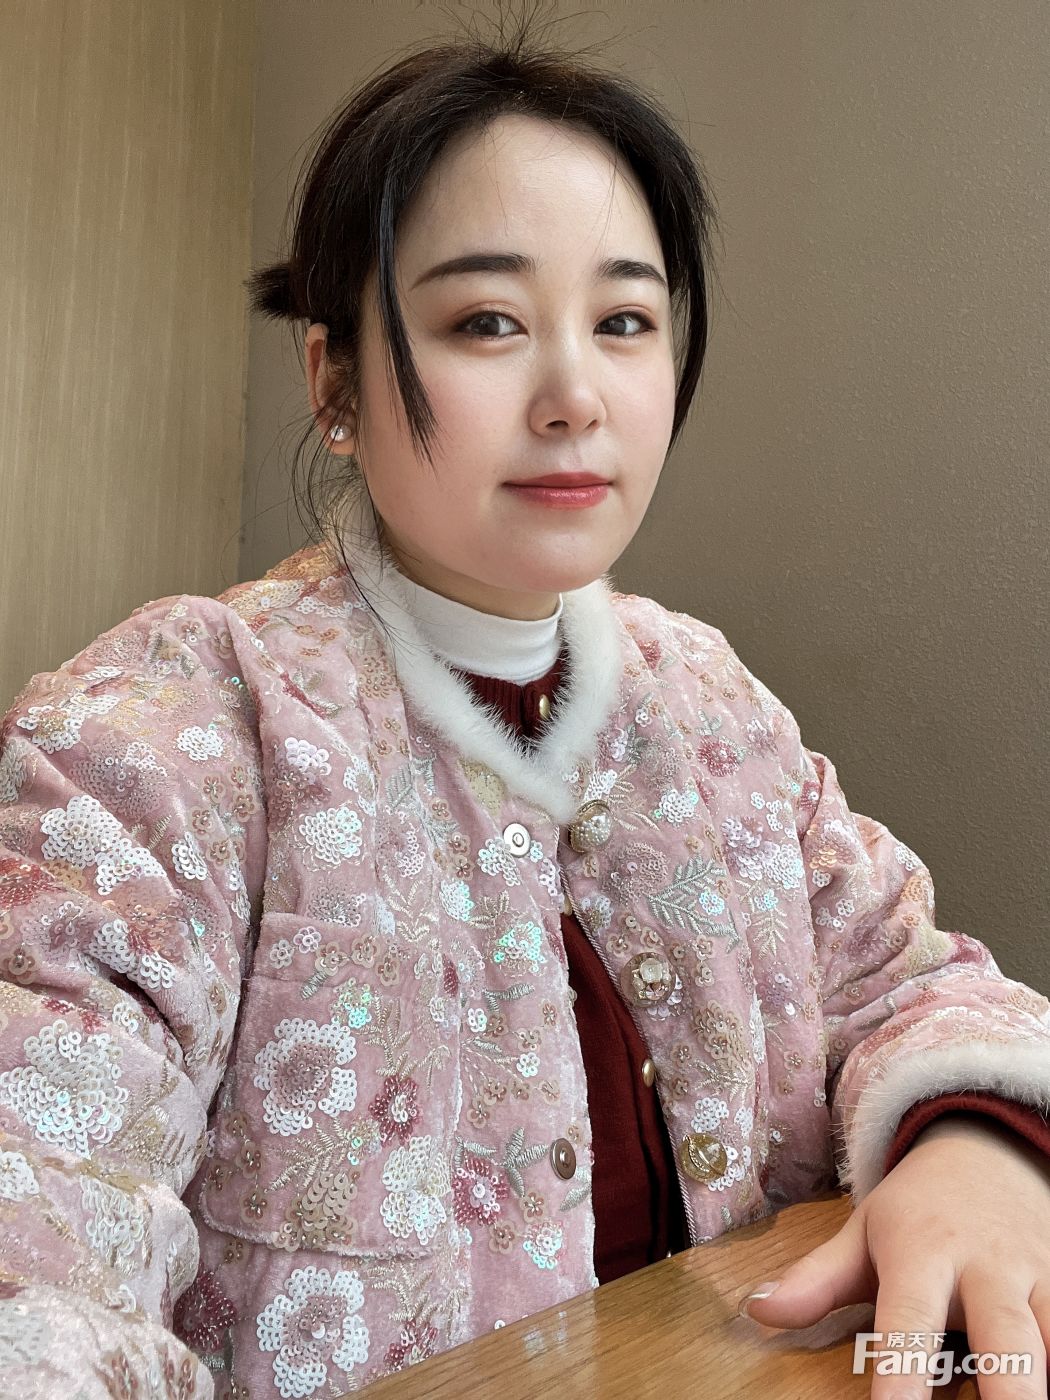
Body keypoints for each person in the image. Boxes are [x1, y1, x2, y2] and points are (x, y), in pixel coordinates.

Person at [0, 21, 1048, 1400]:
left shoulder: (707, 698)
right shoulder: (162, 733)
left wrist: (971, 1150)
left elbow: (910, 983)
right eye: (485, 321)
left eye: (623, 322)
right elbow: (36, 1237)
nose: (572, 398)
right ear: (334, 381)